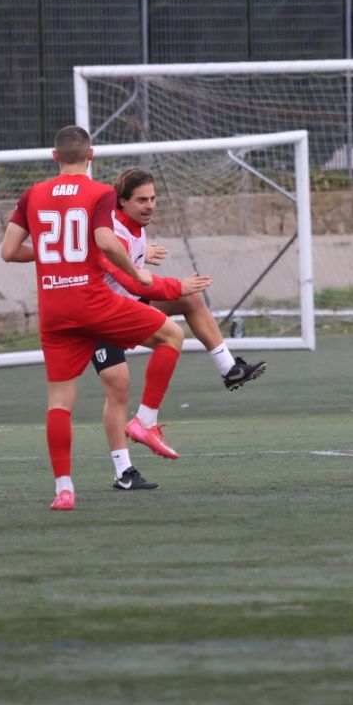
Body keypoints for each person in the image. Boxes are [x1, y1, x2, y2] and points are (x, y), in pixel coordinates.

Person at [0, 125, 187, 512]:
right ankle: (145, 421)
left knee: (59, 403)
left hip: (54, 308)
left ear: (54, 156)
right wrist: (138, 275)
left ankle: (64, 489)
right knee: (171, 335)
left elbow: (7, 252)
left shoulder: (32, 195)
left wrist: (53, 255)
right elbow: (104, 241)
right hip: (93, 301)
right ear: (91, 155)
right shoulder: (100, 192)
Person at [88, 168, 224, 491]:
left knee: (186, 309)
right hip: (97, 315)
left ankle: (228, 366)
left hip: (125, 308)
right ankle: (123, 469)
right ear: (121, 202)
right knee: (116, 388)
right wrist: (176, 285)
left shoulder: (135, 228)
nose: (150, 205)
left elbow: (129, 269)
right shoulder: (111, 229)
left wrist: (144, 257)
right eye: (142, 200)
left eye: (153, 198)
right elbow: (127, 275)